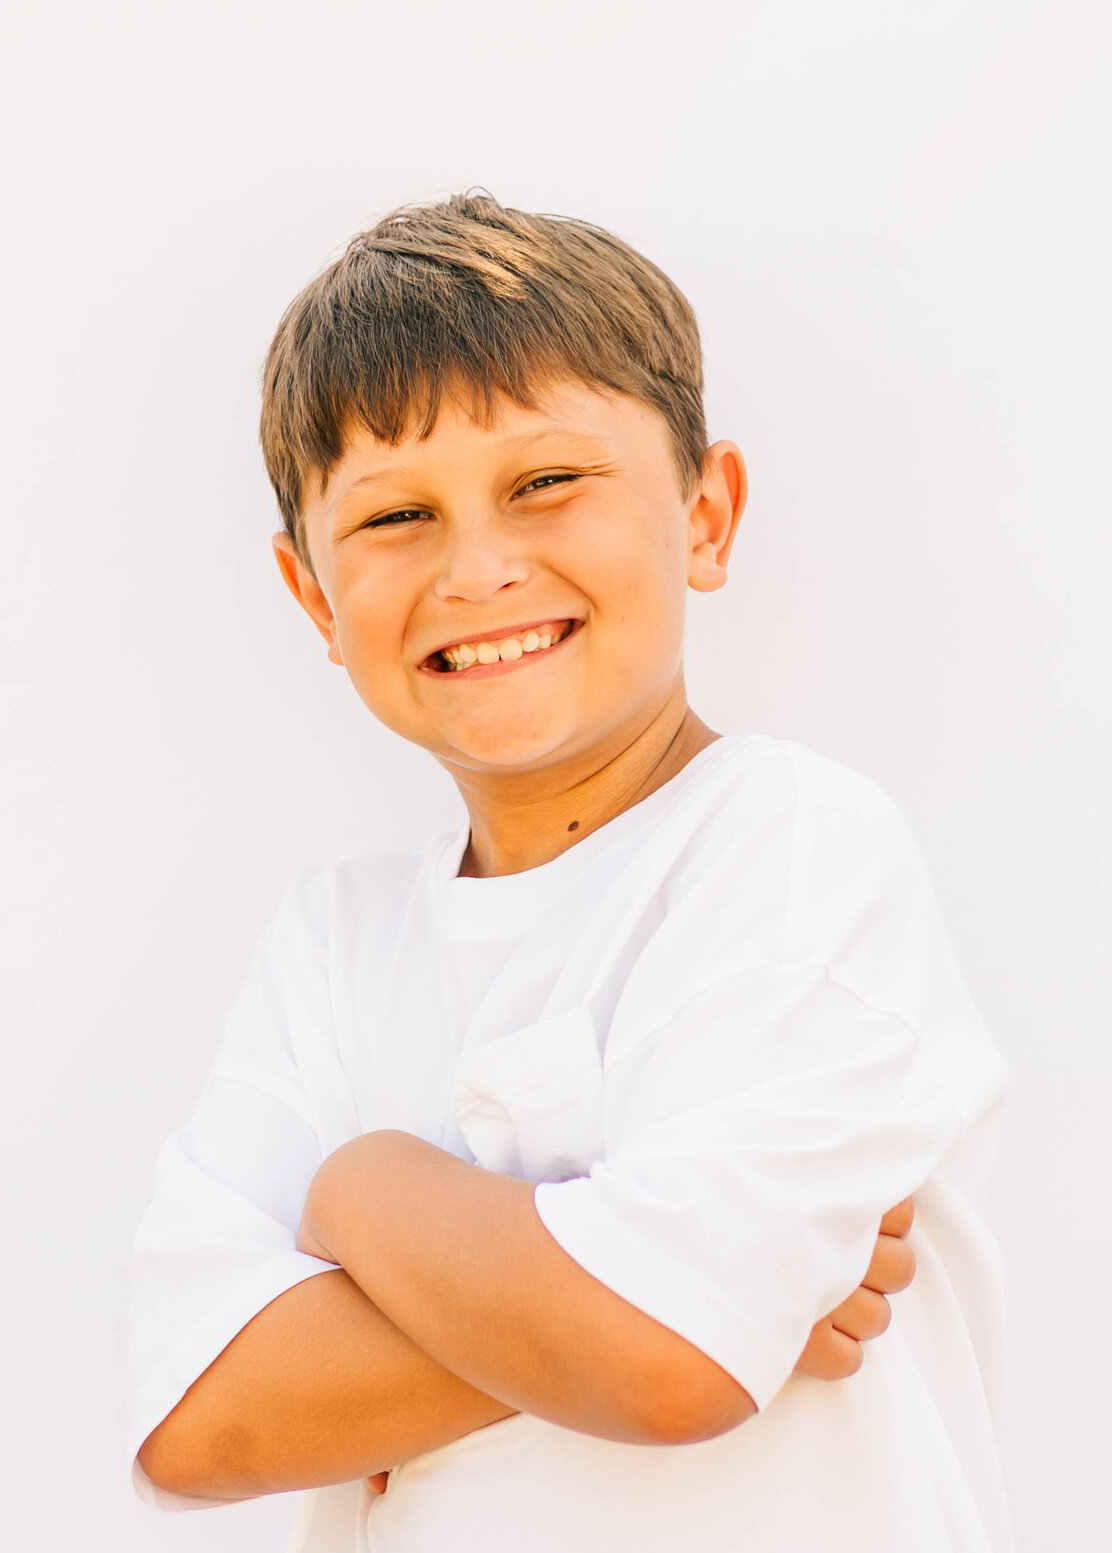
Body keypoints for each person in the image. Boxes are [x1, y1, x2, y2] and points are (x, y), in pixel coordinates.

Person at [127, 191, 1014, 1551]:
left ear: (706, 514)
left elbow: (665, 1357)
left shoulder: (789, 845)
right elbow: (202, 1420)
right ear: (314, 598)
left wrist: (361, 1190)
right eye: (396, 515)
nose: (478, 568)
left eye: (545, 483)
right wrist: (693, 1295)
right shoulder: (333, 943)